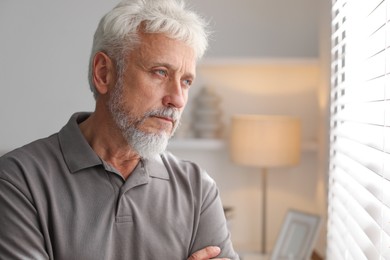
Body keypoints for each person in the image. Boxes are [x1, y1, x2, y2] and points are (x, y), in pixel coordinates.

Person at [0, 0, 239, 259]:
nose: (178, 99)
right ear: (104, 73)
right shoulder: (17, 180)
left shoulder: (198, 188)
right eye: (160, 72)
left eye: (186, 81)